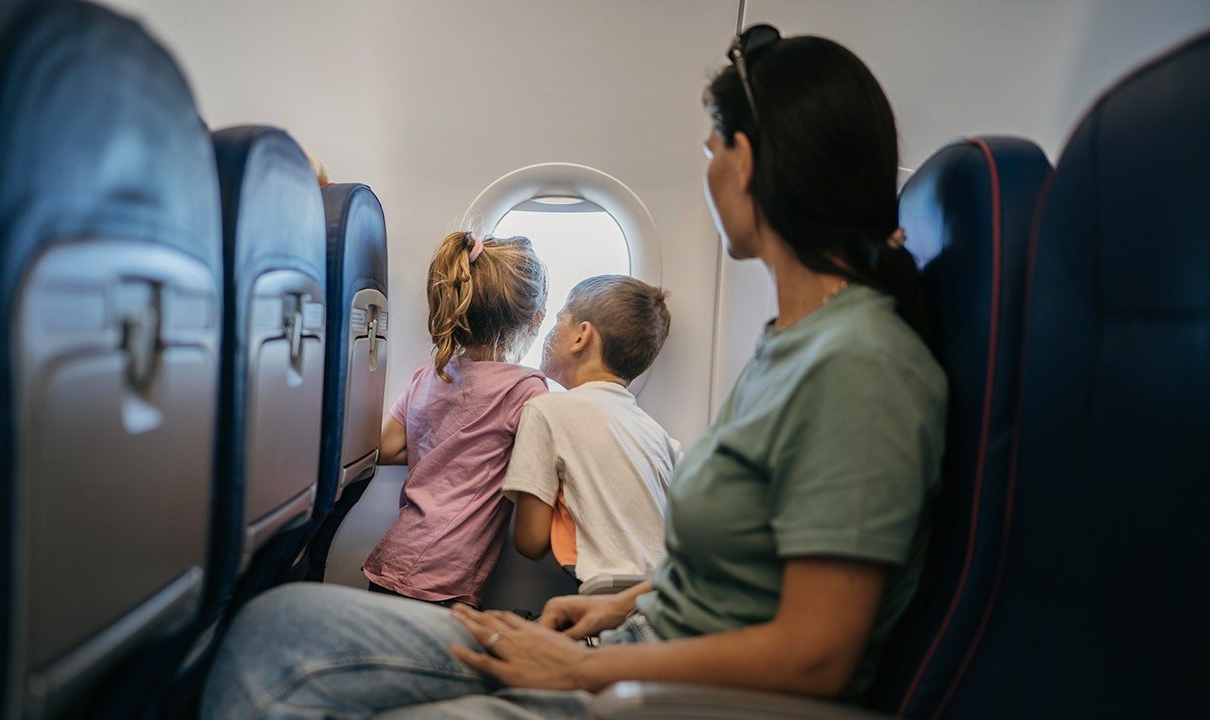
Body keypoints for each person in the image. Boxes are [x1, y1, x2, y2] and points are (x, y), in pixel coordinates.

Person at [201, 27, 946, 719]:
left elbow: (817, 655)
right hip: (630, 642)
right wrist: (615, 607)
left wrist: (584, 668)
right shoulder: (792, 347)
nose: (708, 171)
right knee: (275, 626)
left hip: (662, 688)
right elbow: (731, 578)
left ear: (745, 162)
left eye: (712, 150)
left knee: (279, 658)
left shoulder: (859, 366)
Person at [362, 230, 549, 608]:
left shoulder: (429, 376)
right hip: (441, 577)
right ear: (534, 320)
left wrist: (445, 448)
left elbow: (387, 447)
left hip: (395, 555)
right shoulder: (526, 390)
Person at [503, 274, 680, 583]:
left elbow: (530, 541)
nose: (550, 331)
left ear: (581, 337)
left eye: (559, 320)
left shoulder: (546, 410)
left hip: (609, 596)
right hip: (666, 594)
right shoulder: (662, 439)